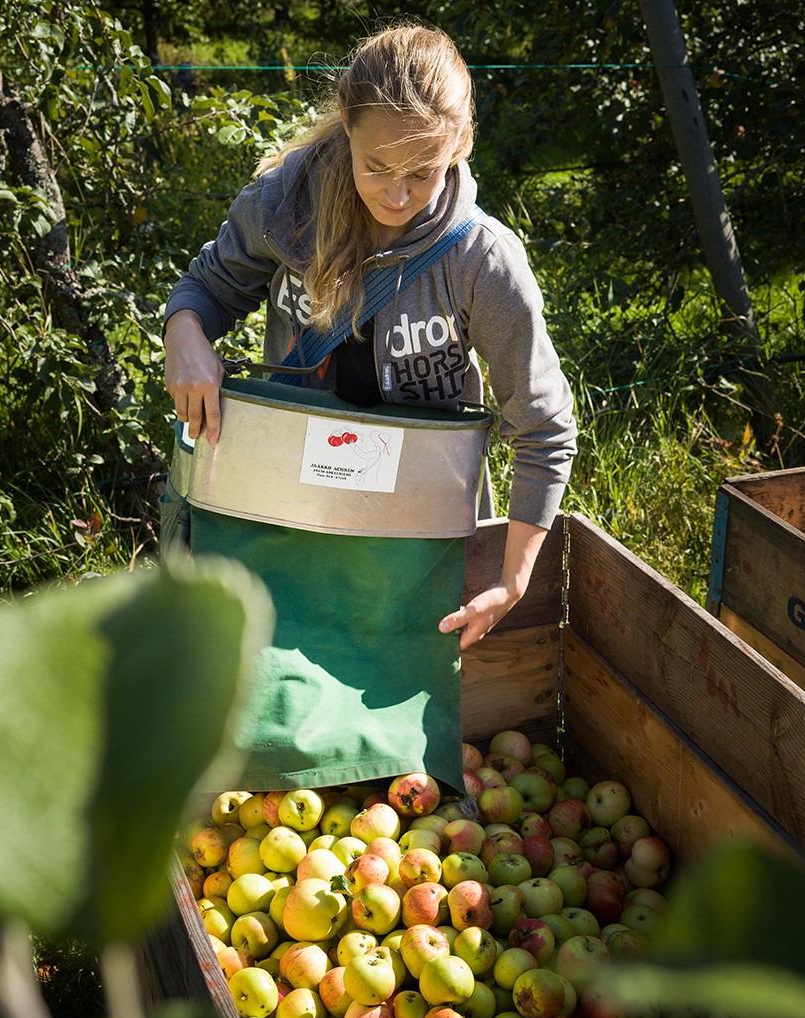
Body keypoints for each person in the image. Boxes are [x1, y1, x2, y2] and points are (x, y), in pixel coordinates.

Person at [163, 24, 577, 650]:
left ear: (461, 146)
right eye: (376, 167)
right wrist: (184, 333)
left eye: (423, 173)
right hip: (285, 511)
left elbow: (543, 426)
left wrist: (513, 578)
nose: (398, 194)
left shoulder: (481, 261)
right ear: (347, 127)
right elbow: (209, 287)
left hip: (417, 540)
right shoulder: (286, 203)